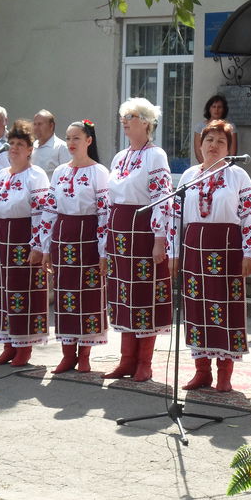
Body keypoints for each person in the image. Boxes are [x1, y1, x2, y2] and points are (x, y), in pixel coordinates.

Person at [170, 120, 251, 392]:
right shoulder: (188, 177)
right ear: (200, 145)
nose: (213, 145)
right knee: (197, 309)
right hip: (194, 250)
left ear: (229, 148)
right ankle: (202, 371)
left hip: (227, 250)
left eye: (221, 141)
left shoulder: (238, 176)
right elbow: (175, 217)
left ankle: (224, 373)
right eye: (209, 140)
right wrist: (174, 252)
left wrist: (250, 251)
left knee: (226, 309)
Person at [103, 97, 173, 382]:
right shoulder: (120, 157)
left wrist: (160, 238)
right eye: (123, 116)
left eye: (130, 116)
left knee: (145, 295)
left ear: (145, 122)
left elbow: (162, 198)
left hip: (143, 232)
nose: (125, 121)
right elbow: (110, 199)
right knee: (123, 296)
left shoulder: (156, 155)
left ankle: (144, 362)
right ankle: (126, 360)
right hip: (119, 235)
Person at [0, 120, 50, 367]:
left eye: (20, 144)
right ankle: (8, 344)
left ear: (30, 149)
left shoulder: (36, 175)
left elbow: (42, 212)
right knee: (4, 294)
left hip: (24, 239)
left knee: (23, 293)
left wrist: (39, 246)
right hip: (2, 240)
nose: (15, 149)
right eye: (12, 144)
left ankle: (23, 347)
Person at [39, 120, 110, 374]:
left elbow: (104, 213)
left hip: (88, 238)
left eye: (76, 138)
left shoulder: (99, 172)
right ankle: (67, 353)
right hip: (63, 237)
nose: (71, 143)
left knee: (88, 295)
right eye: (68, 138)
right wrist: (45, 248)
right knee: (65, 294)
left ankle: (85, 354)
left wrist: (104, 251)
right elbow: (49, 210)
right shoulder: (59, 172)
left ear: (89, 141)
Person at [192, 94, 237, 163]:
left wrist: (223, 167)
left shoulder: (230, 127)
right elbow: (198, 152)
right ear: (209, 109)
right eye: (213, 107)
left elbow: (232, 152)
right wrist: (207, 167)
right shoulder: (200, 127)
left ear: (224, 109)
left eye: (219, 107)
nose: (216, 110)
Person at [32, 109, 71, 180]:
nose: (36, 128)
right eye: (35, 124)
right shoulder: (32, 146)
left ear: (51, 126)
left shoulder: (61, 147)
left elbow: (68, 175)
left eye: (40, 124)